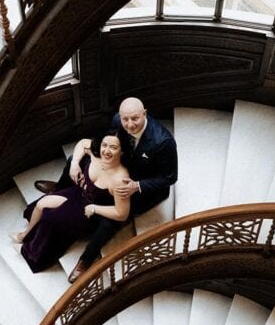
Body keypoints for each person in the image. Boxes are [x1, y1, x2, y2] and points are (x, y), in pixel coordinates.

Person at [35, 97, 178, 282]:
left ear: (144, 113)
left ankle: (86, 259)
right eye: (125, 119)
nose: (129, 124)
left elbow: (169, 178)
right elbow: (102, 144)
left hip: (141, 186)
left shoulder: (163, 142)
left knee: (111, 221)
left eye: (135, 118)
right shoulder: (117, 121)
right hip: (119, 167)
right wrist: (80, 162)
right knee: (74, 161)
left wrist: (137, 186)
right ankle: (61, 187)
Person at [13, 129, 132, 274]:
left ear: (122, 152)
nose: (106, 151)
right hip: (78, 195)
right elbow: (82, 143)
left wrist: (94, 208)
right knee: (41, 204)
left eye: (113, 147)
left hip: (91, 213)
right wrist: (74, 164)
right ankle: (25, 235)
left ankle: (33, 255)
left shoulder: (120, 180)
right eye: (104, 145)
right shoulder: (96, 154)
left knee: (50, 218)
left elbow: (122, 213)